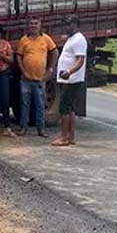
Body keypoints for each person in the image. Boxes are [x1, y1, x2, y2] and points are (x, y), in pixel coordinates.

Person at [15, 17, 58, 136]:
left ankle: (41, 129)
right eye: (31, 23)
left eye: (36, 23)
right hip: (26, 79)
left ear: (40, 25)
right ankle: (23, 128)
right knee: (24, 104)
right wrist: (23, 71)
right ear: (28, 26)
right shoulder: (24, 40)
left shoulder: (46, 39)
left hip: (40, 79)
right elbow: (18, 56)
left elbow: (54, 52)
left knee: (40, 105)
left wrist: (50, 69)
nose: (33, 26)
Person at [52, 15, 87, 147]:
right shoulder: (72, 38)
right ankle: (70, 136)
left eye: (68, 24)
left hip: (71, 80)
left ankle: (64, 137)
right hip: (67, 79)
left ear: (76, 24)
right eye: (65, 24)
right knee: (70, 109)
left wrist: (69, 72)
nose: (66, 27)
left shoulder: (79, 40)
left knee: (64, 109)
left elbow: (80, 60)